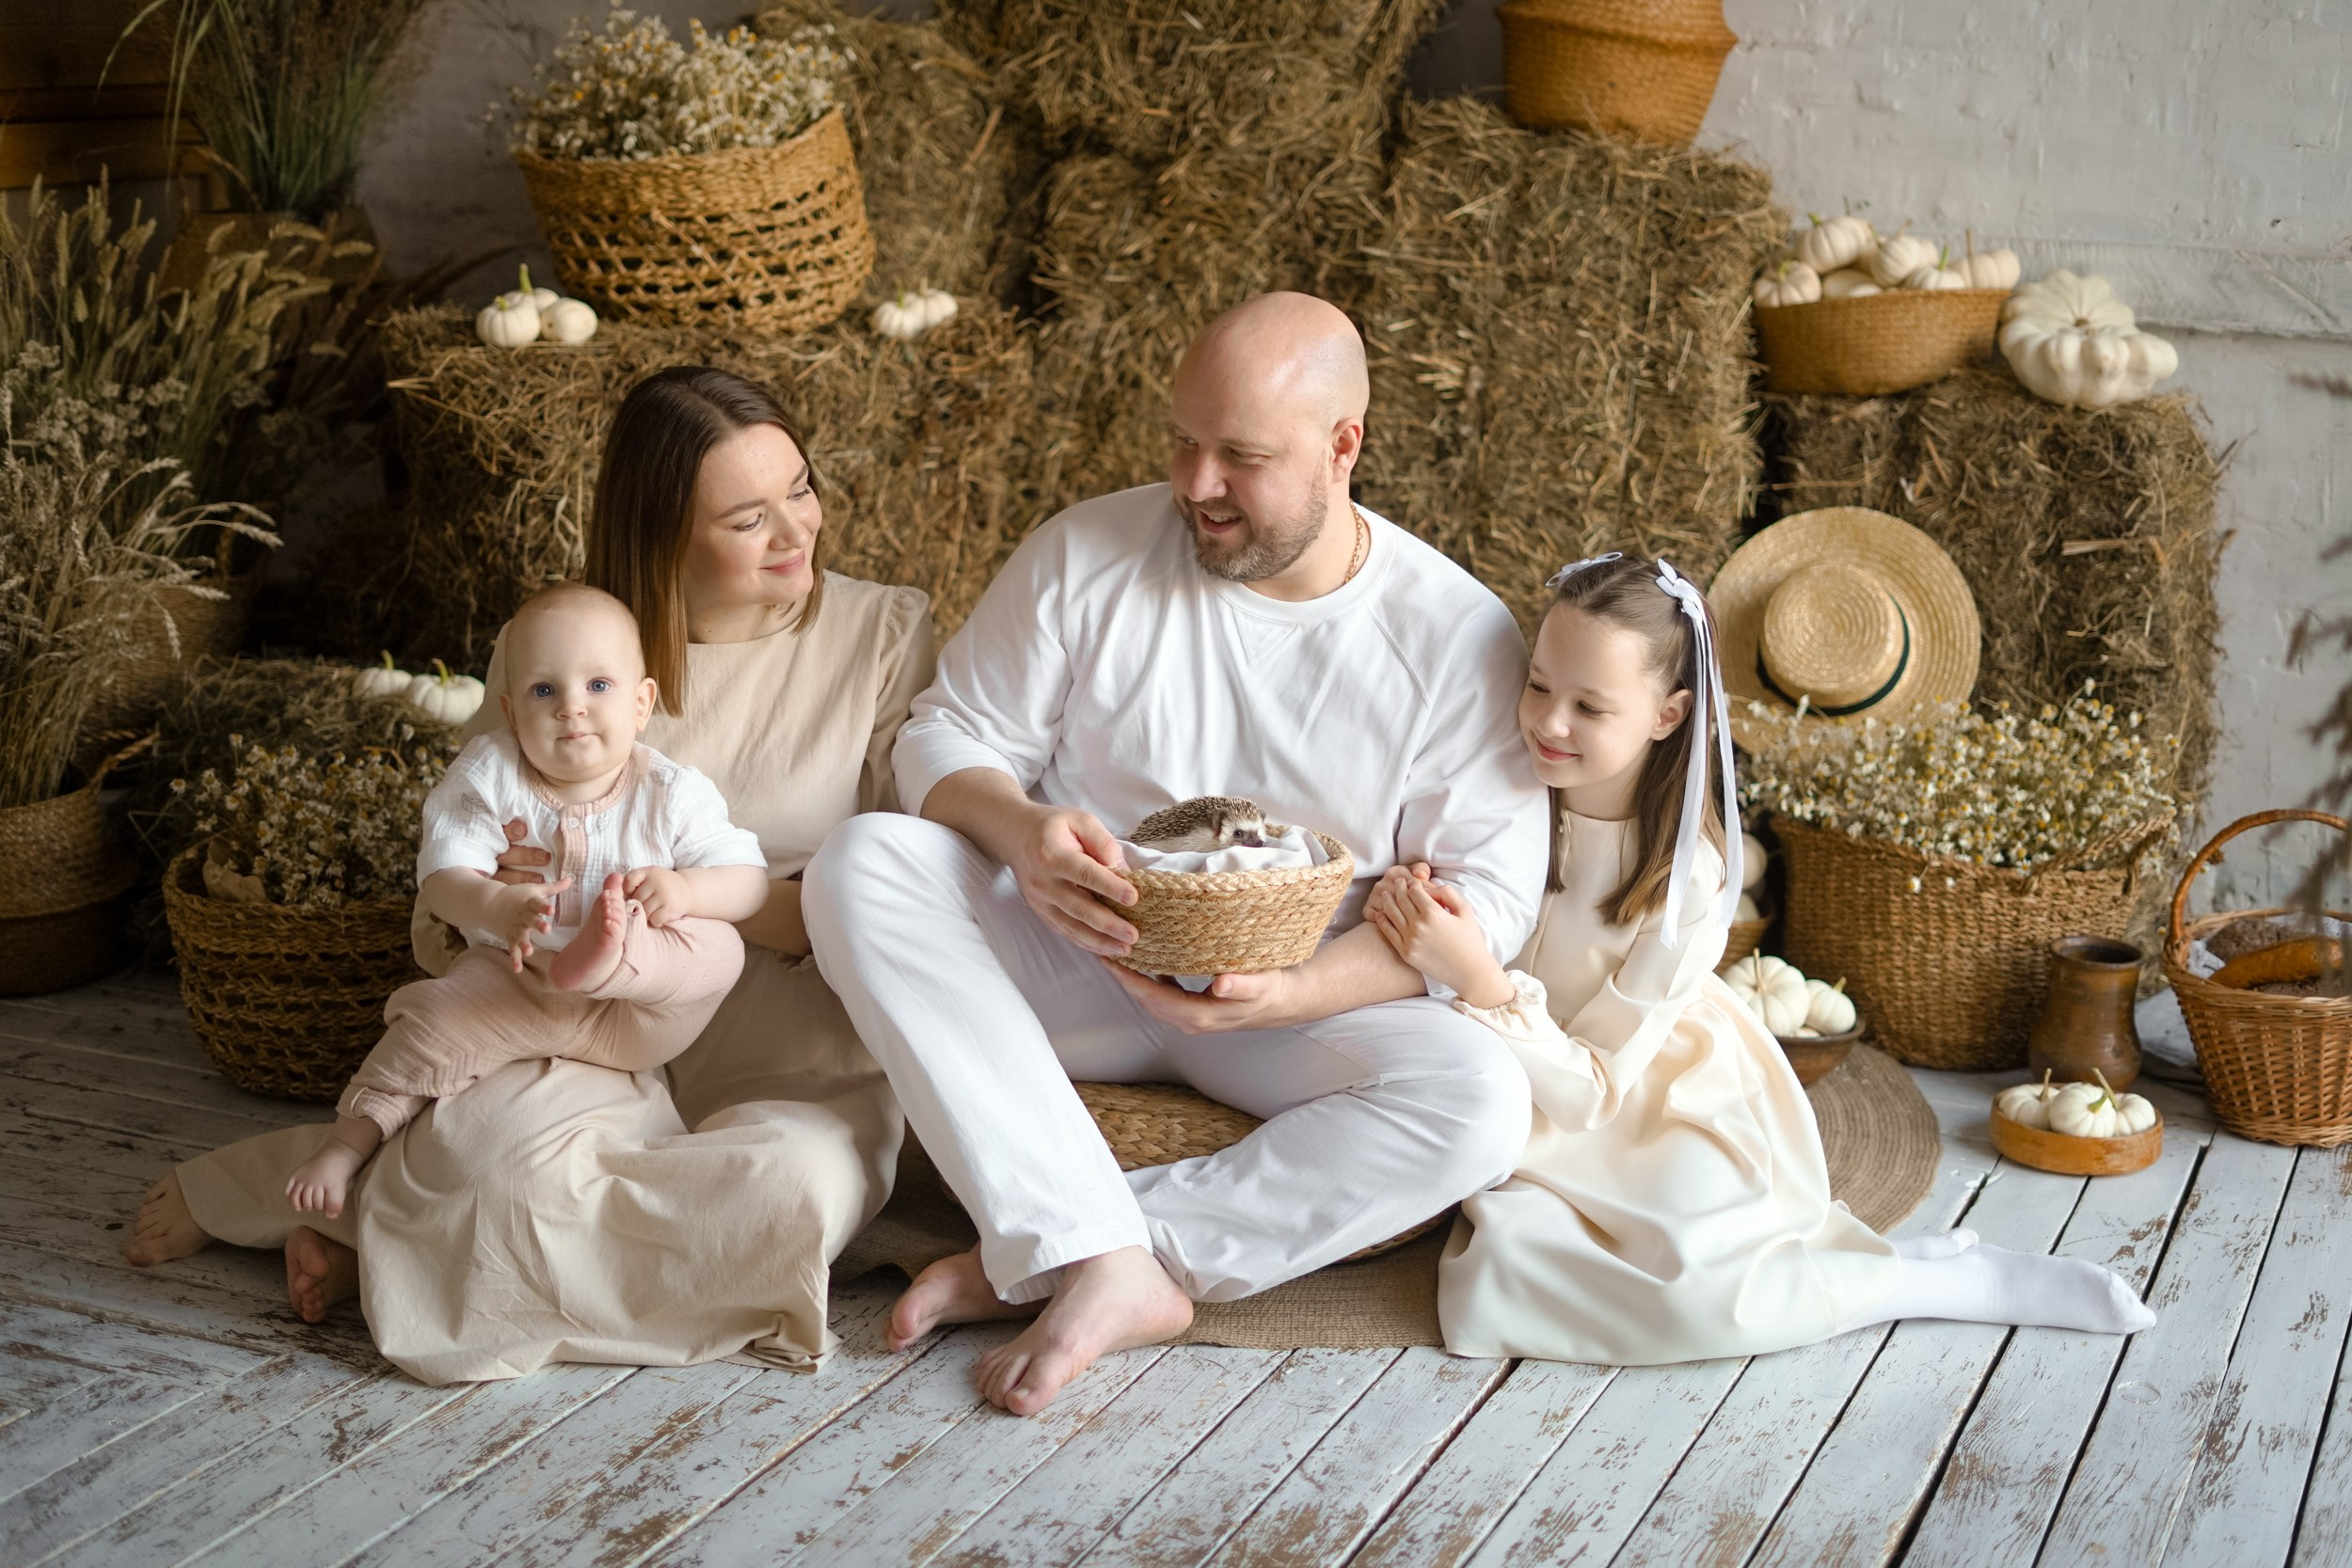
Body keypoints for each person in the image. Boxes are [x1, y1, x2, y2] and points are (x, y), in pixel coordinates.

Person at [803, 292, 1549, 1417]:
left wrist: (1286, 991)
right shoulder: (1084, 550)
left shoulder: (1454, 635)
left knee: (1481, 1098)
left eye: (1241, 457)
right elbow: (946, 732)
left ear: (1344, 445)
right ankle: (1080, 1247)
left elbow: (1487, 902)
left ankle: (1097, 1255)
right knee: (865, 859)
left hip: (1295, 1003)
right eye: (1182, 442)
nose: (1195, 485)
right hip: (1075, 950)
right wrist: (1020, 831)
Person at [124, 367, 935, 1384]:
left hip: (785, 1042)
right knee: (483, 1169)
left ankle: (378, 1229)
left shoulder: (883, 634)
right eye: (748, 518)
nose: (797, 532)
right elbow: (451, 884)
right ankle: (397, 1207)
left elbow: (900, 895)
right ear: (661, 534)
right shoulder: (555, 651)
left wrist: (691, 911)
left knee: (793, 1195)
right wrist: (507, 905)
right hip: (568, 1031)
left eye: (802, 489)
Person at [1364, 551, 2157, 1364]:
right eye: (1537, 685)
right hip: (1527, 1078)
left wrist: (1475, 974)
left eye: (1589, 706)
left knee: (1684, 1294)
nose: (1547, 722)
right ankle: (1879, 1268)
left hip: (1637, 1090)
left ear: (1668, 715)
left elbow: (1600, 1084)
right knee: (1508, 1260)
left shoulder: (1690, 874)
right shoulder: (1508, 789)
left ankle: (1929, 1286)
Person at [285, 584, 769, 1219]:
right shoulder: (490, 774)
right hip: (517, 981)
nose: (572, 707)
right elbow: (442, 874)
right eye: (546, 690)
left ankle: (613, 956)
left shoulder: (670, 793)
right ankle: (345, 1145)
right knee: (428, 1024)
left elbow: (750, 879)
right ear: (512, 713)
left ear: (643, 702)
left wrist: (686, 889)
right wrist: (494, 906)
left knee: (719, 948)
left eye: (598, 685)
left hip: (634, 1012)